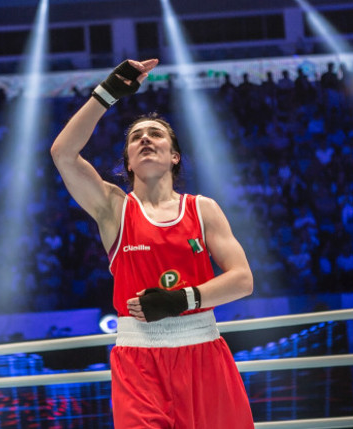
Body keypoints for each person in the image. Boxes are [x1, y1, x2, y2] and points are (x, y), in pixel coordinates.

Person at [51, 59, 254, 428]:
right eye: (135, 137)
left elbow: (242, 279)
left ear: (174, 156)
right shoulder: (114, 208)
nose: (145, 138)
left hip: (203, 353)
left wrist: (182, 299)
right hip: (139, 360)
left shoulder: (202, 208)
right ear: (127, 162)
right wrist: (106, 94)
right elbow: (63, 154)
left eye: (156, 134)